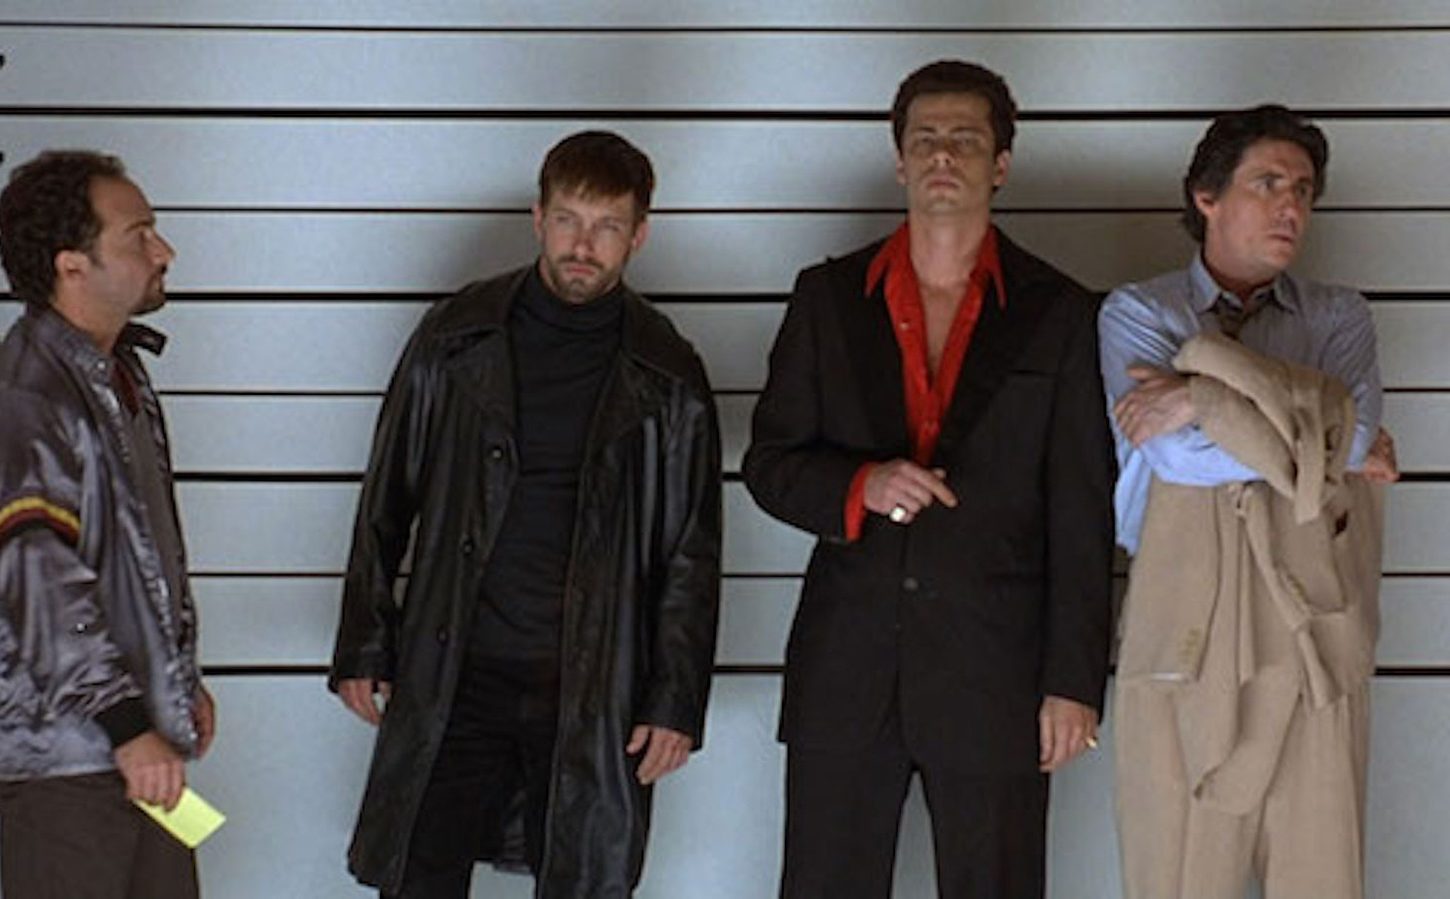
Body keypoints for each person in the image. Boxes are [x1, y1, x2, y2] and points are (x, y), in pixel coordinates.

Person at [743, 60, 1115, 898]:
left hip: (999, 674)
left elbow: (1081, 514)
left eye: (966, 139)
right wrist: (861, 485)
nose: (943, 154)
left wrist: (1072, 682)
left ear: (1001, 164)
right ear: (900, 161)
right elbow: (769, 463)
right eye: (926, 139)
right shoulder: (826, 297)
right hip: (845, 671)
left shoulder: (1062, 313)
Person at [329, 130, 722, 898]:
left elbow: (690, 552)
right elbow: (386, 496)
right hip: (456, 666)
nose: (584, 245)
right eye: (569, 219)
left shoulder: (668, 374)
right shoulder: (456, 336)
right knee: (416, 875)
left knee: (581, 878)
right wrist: (365, 640)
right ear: (538, 217)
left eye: (607, 226)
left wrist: (674, 699)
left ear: (638, 235)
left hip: (591, 683)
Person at [1100, 104, 1399, 899]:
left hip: (1317, 639)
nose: (1290, 205)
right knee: (1175, 881)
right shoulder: (1140, 312)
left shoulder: (1339, 314)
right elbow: (1177, 457)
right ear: (1207, 196)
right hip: (1183, 639)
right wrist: (1314, 429)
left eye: (1303, 189)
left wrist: (1203, 392)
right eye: (1268, 183)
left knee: (1323, 881)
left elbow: (1352, 436)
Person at [0, 150, 215, 898]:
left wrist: (177, 682)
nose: (164, 251)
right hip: (66, 770)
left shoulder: (116, 371)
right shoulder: (28, 395)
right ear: (72, 265)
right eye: (139, 235)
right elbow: (35, 577)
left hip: (136, 748)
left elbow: (138, 557)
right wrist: (127, 722)